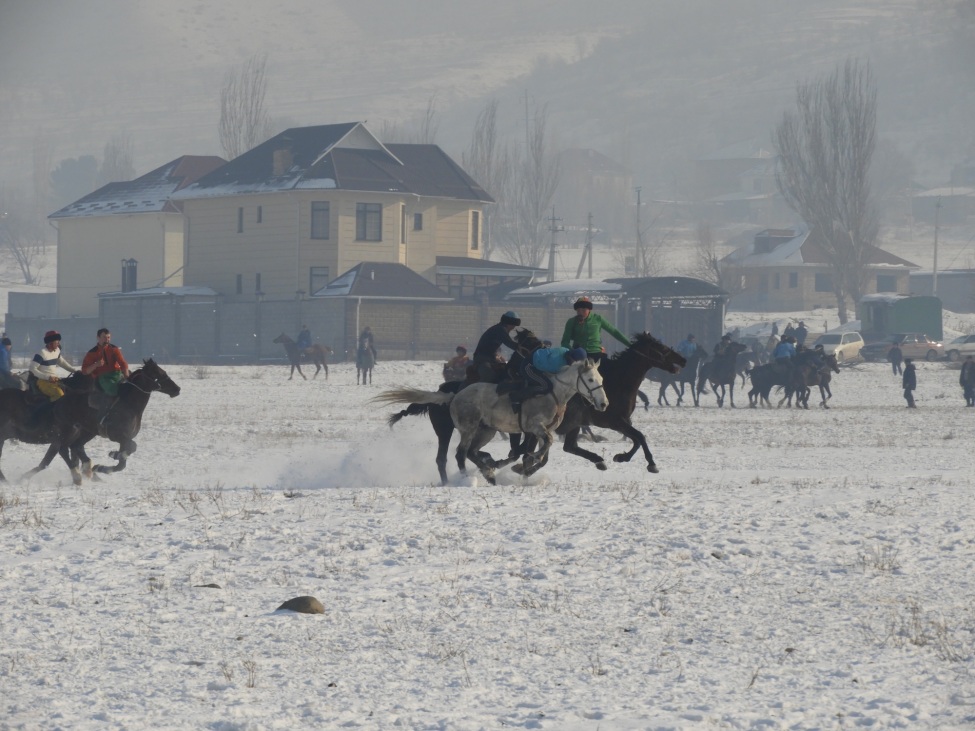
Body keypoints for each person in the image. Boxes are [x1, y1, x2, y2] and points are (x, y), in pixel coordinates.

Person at [508, 346, 588, 412]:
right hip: (529, 367)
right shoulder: (559, 363)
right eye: (575, 363)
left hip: (535, 363)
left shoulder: (565, 350)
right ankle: (516, 397)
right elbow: (551, 375)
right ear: (571, 358)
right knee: (547, 386)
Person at [561, 297, 629, 363]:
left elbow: (614, 331)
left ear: (589, 309)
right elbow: (564, 342)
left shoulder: (598, 319)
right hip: (579, 355)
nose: (580, 313)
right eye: (578, 310)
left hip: (596, 353)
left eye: (583, 310)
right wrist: (573, 351)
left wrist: (630, 344)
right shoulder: (571, 321)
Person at [473, 311, 523, 383]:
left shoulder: (498, 329)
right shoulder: (500, 330)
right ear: (511, 324)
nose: (513, 328)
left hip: (491, 359)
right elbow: (510, 343)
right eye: (513, 326)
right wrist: (525, 348)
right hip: (482, 359)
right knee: (490, 377)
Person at [29, 330, 79, 401]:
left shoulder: (57, 350)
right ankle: (49, 410)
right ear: (50, 343)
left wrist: (75, 371)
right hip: (42, 381)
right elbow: (32, 369)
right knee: (59, 394)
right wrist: (48, 377)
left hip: (54, 380)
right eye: (57, 341)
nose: (58, 343)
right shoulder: (42, 353)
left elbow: (61, 362)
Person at [81, 327, 131, 396]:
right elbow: (84, 371)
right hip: (102, 378)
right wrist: (95, 365)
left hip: (116, 374)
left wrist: (126, 374)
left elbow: (122, 362)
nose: (107, 340)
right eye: (104, 337)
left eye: (108, 337)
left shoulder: (114, 349)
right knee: (113, 388)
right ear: (98, 337)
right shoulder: (92, 353)